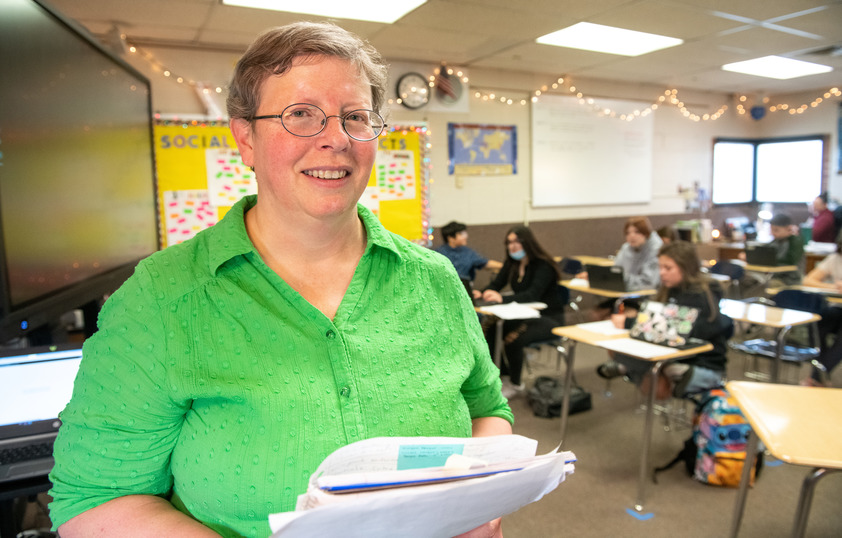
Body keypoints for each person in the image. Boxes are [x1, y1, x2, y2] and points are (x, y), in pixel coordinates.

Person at [48, 22, 512, 538]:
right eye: (301, 115)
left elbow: (486, 407)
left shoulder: (433, 278)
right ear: (244, 137)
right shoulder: (161, 299)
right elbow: (94, 501)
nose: (336, 139)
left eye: (355, 117)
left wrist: (481, 496)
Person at [596, 241, 731, 400]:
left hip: (702, 362)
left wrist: (628, 323)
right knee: (618, 350)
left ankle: (631, 368)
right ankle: (632, 367)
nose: (661, 273)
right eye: (660, 267)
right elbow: (657, 321)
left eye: (668, 268)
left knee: (654, 379)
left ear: (686, 267)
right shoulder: (669, 290)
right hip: (675, 353)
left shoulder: (701, 295)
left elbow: (671, 327)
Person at [478, 226, 564, 398]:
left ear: (527, 243)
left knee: (514, 339)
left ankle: (516, 384)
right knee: (489, 328)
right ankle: (503, 374)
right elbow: (497, 284)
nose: (513, 246)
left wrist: (501, 298)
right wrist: (483, 292)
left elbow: (532, 295)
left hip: (548, 318)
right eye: (509, 242)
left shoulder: (543, 266)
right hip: (523, 315)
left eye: (517, 241)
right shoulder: (512, 263)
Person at [801, 236, 842, 386]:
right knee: (817, 322)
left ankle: (816, 377)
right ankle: (821, 374)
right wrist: (834, 287)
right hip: (838, 308)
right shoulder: (836, 258)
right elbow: (808, 280)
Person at [435, 221, 502, 282]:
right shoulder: (438, 254)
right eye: (461, 234)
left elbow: (485, 263)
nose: (466, 236)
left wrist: (505, 267)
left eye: (465, 233)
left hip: (465, 288)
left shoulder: (468, 252)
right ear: (450, 238)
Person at [768, 212, 805, 286]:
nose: (773, 233)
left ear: (789, 228)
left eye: (776, 230)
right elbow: (765, 250)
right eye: (771, 230)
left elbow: (789, 261)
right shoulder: (776, 241)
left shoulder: (795, 242)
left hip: (790, 280)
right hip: (775, 277)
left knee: (765, 286)